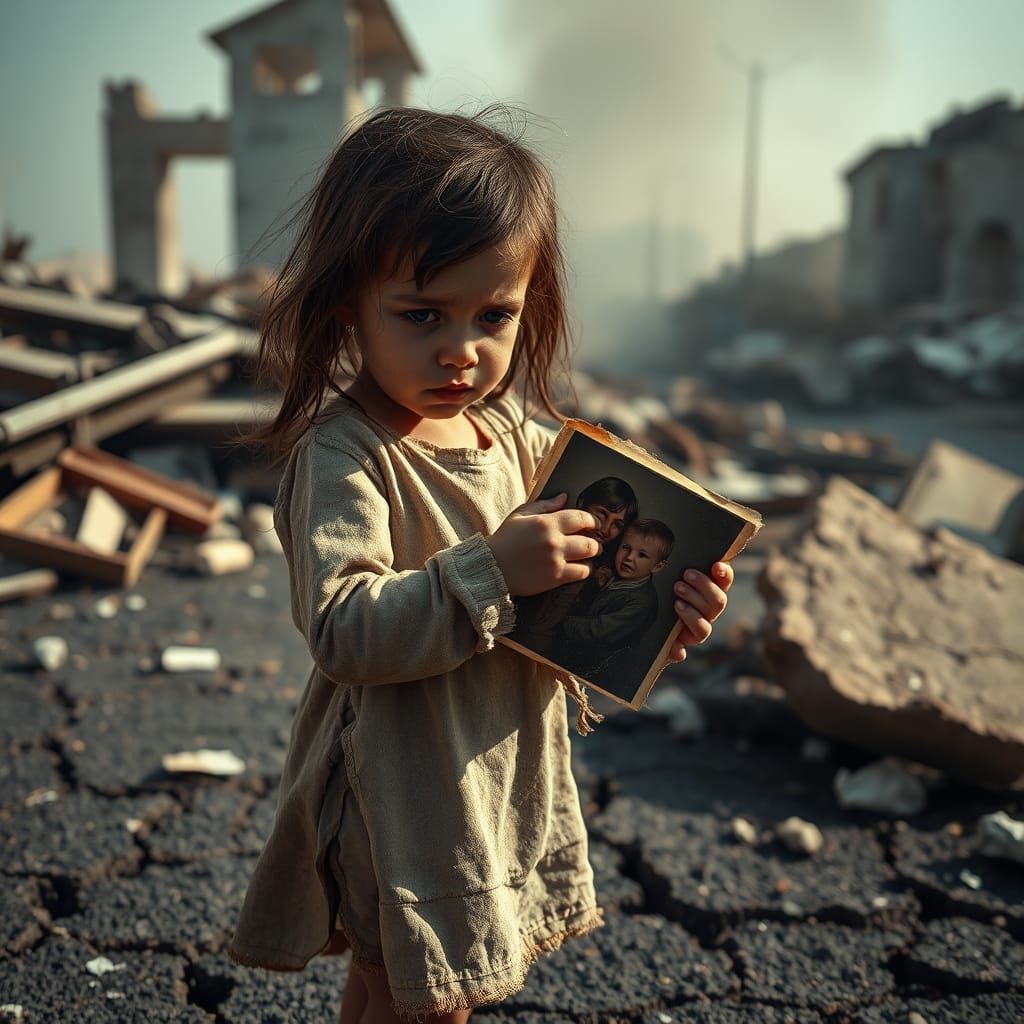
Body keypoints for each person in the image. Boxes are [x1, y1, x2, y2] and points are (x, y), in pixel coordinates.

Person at [227, 106, 734, 1024]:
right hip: (401, 793)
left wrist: (667, 602)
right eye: (421, 315)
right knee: (421, 995)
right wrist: (492, 571)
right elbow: (343, 627)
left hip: (493, 780)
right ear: (349, 306)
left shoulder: (522, 436)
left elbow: (584, 585)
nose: (462, 350)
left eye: (493, 315)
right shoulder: (346, 456)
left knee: (408, 988)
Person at [509, 476, 637, 658]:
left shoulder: (608, 573)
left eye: (617, 524)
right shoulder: (542, 539)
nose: (606, 529)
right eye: (601, 514)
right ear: (582, 503)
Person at [557, 518, 675, 681]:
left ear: (658, 566)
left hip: (597, 664)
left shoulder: (642, 603)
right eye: (626, 548)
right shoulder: (613, 574)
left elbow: (598, 630)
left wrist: (560, 622)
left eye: (642, 555)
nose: (629, 557)